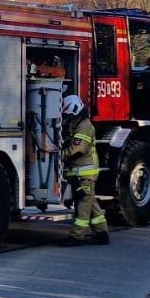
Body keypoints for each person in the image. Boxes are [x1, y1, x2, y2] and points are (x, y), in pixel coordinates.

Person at [60, 94, 108, 245]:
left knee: (83, 204)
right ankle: (102, 233)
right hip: (81, 172)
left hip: (85, 173)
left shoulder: (84, 126)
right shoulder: (78, 124)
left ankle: (77, 236)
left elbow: (78, 148)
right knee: (90, 202)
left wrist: (61, 155)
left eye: (68, 116)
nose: (67, 119)